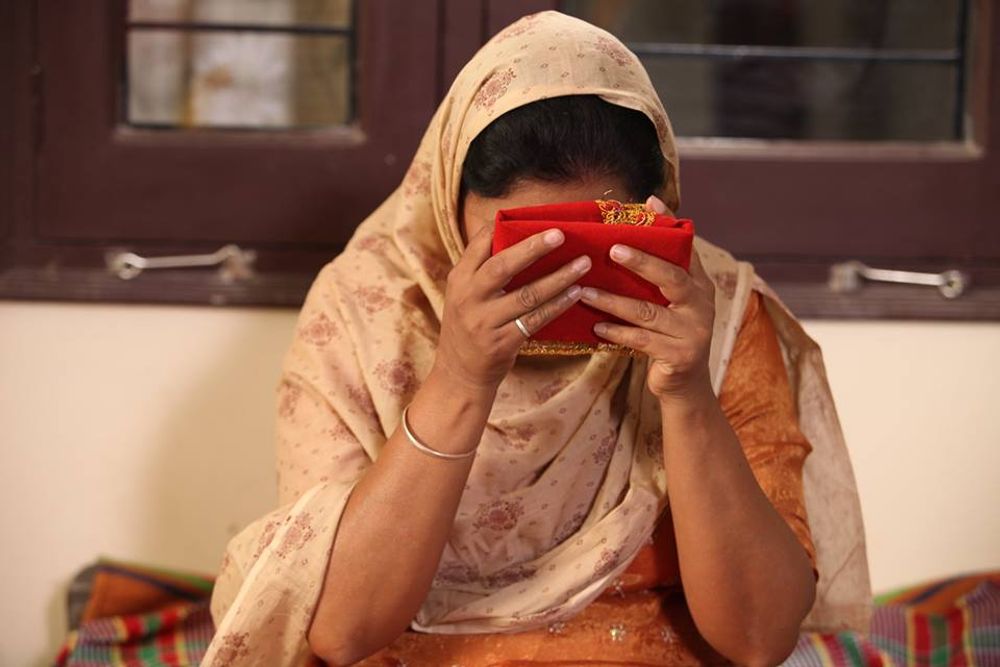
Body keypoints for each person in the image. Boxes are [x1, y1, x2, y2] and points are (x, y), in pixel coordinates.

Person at [204, 11, 870, 666]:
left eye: (593, 249)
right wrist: (461, 379)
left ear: (656, 211)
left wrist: (688, 395)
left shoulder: (709, 313)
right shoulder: (365, 309)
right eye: (519, 252)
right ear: (448, 203)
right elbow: (342, 631)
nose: (554, 292)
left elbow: (759, 639)